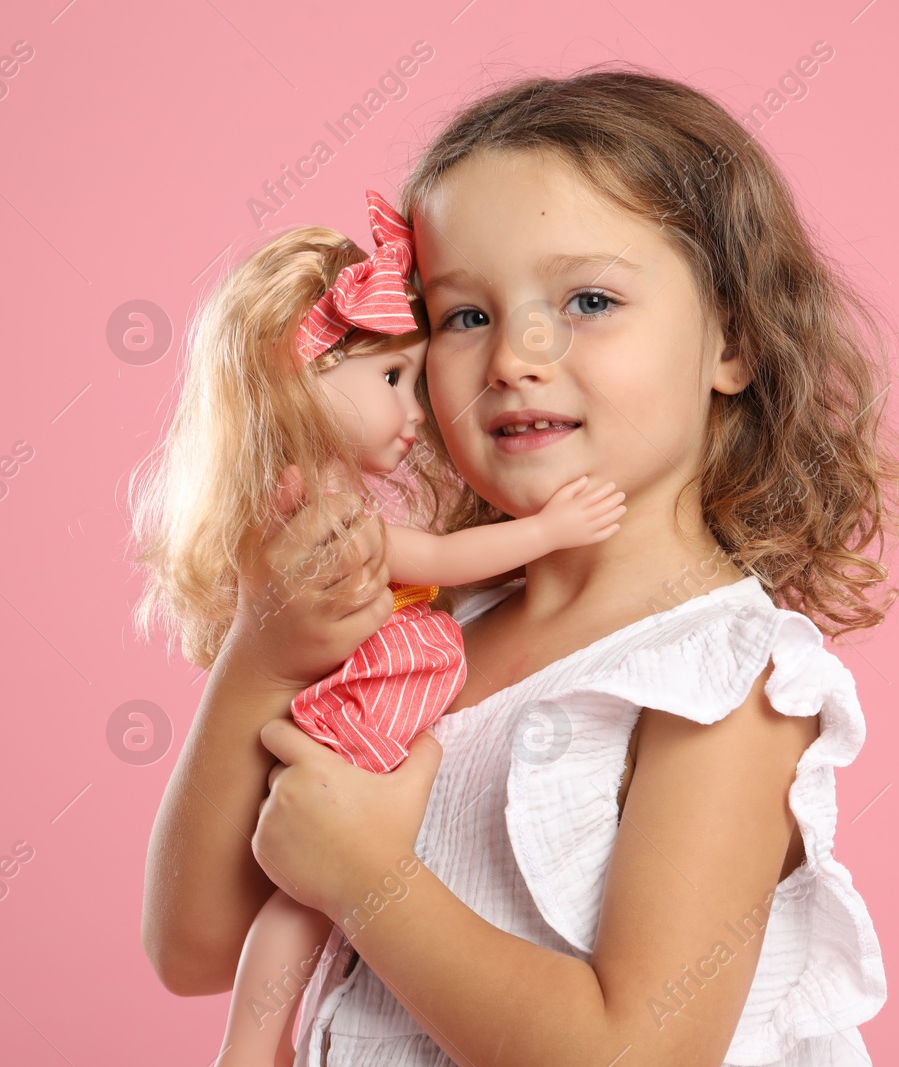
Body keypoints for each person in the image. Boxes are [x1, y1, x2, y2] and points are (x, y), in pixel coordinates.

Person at [139, 67, 899, 1067]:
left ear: (731, 339)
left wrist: (367, 877)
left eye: (589, 299)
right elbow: (194, 946)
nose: (517, 353)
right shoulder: (422, 633)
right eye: (465, 315)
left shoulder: (721, 680)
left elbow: (632, 1052)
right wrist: (259, 656)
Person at [128, 190, 625, 1065]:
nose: (416, 410)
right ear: (301, 378)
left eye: (591, 300)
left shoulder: (720, 682)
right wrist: (546, 533)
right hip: (360, 718)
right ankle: (250, 1045)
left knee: (307, 898)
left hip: (366, 719)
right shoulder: (322, 519)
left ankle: (251, 1045)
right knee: (301, 897)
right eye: (393, 377)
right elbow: (425, 553)